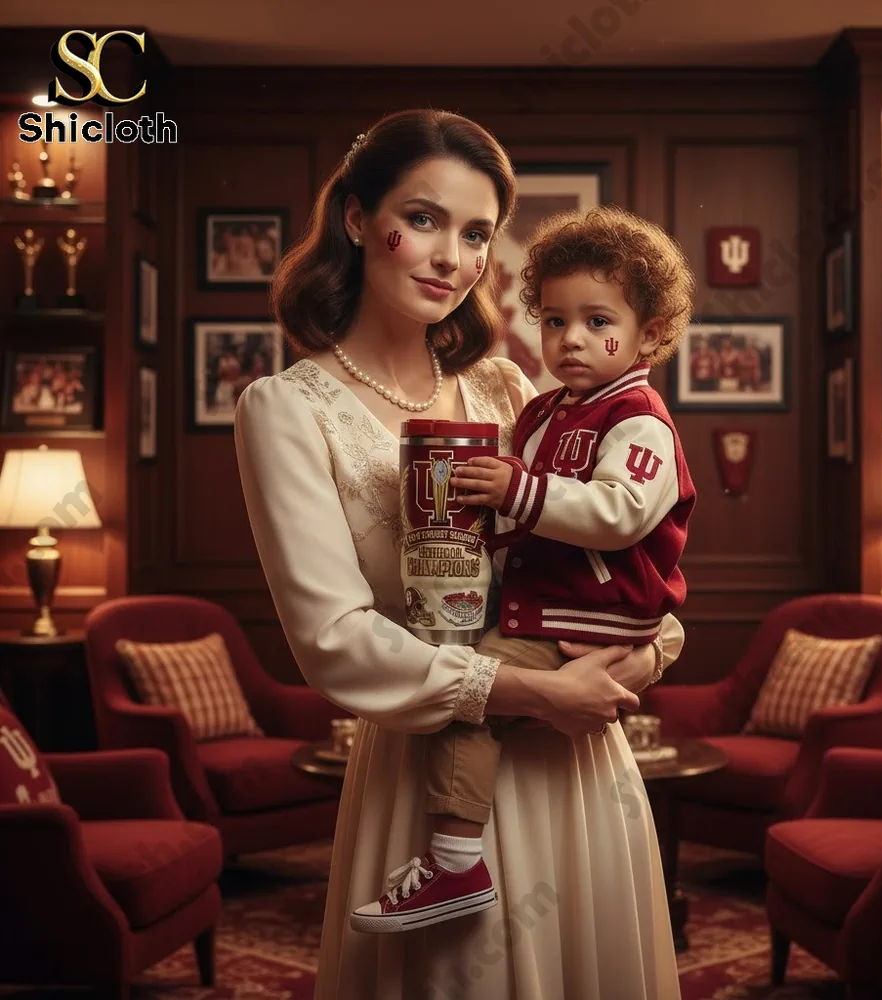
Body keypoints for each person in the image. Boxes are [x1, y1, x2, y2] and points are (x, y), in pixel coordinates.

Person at [234, 108, 687, 1000]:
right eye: (427, 220)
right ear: (359, 219)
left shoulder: (508, 386)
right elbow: (332, 639)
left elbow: (615, 543)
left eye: (477, 233)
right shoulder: (285, 410)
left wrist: (651, 650)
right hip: (428, 770)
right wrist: (532, 690)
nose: (451, 256)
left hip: (578, 759)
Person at [350, 204, 696, 935]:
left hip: (584, 617)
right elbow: (527, 522)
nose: (573, 340)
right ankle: (460, 859)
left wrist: (515, 490)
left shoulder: (638, 419)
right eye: (555, 320)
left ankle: (454, 864)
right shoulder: (541, 413)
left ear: (651, 334)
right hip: (542, 607)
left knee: (463, 712)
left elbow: (619, 514)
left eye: (600, 322)